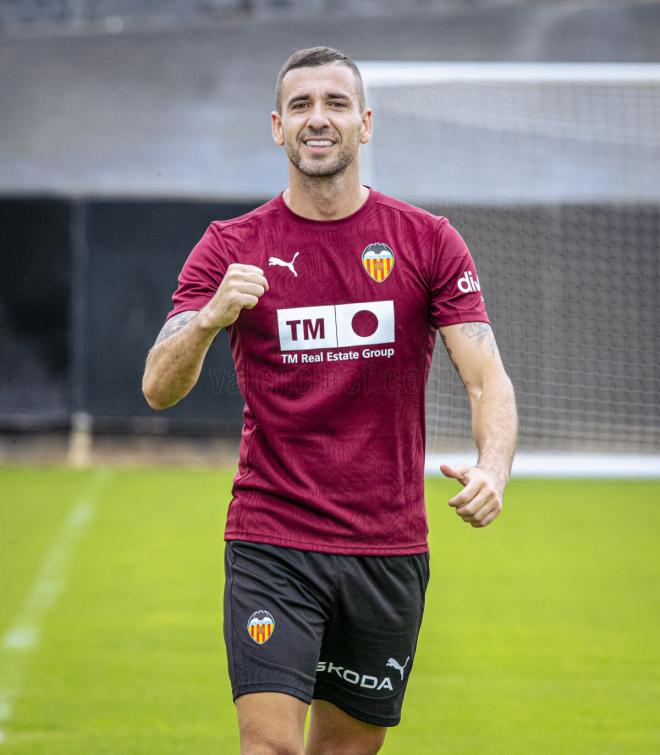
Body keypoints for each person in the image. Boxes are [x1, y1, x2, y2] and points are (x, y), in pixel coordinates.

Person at [142, 46, 517, 755]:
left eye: (336, 104)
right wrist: (209, 317)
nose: (320, 119)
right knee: (271, 748)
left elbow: (486, 376)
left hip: (387, 543)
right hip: (272, 536)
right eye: (303, 106)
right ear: (277, 126)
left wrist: (493, 465)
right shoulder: (230, 246)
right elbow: (159, 386)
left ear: (365, 124)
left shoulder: (427, 241)